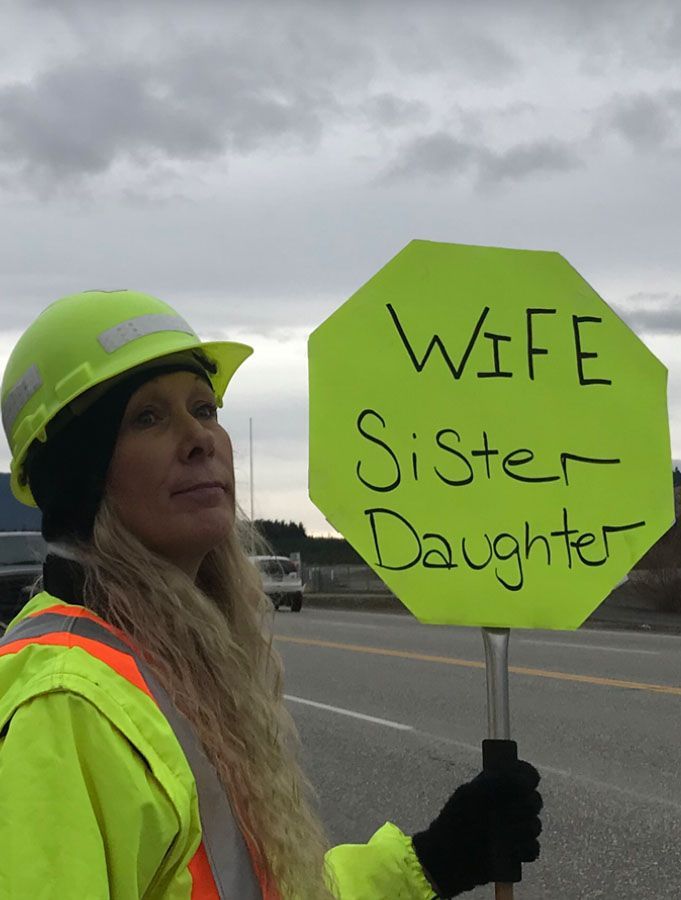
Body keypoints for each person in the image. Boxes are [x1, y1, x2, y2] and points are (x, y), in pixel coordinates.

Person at [0, 290, 542, 899]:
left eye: (204, 408)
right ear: (79, 477)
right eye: (147, 417)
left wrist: (432, 860)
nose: (200, 438)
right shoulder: (66, 704)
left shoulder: (167, 659)